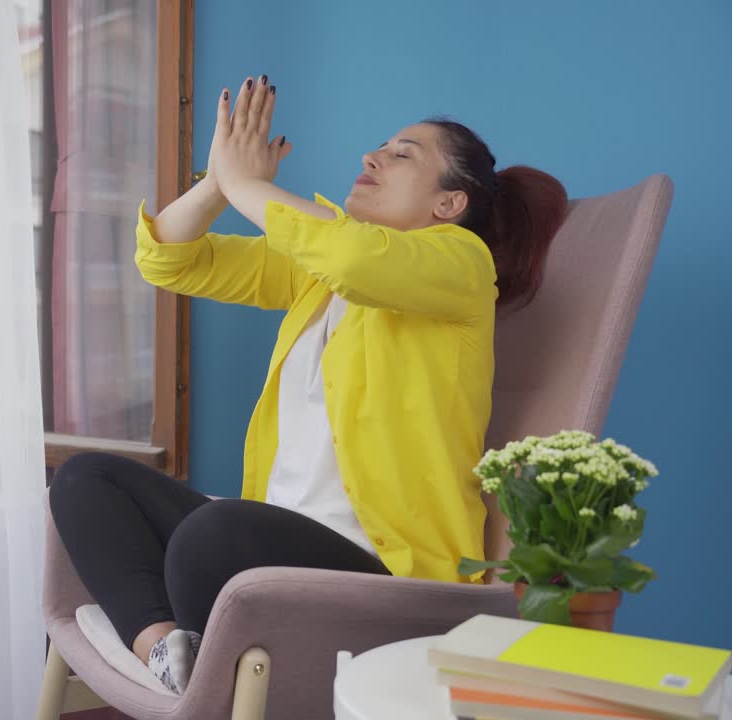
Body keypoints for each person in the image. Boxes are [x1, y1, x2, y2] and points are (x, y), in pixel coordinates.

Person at [48, 73, 569, 694]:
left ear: (448, 205)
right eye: (380, 146)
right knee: (86, 479)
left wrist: (250, 184)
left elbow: (354, 259)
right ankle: (167, 651)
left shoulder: (460, 264)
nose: (371, 156)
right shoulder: (316, 277)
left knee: (212, 535)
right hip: (277, 533)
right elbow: (168, 259)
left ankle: (194, 666)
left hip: (384, 569)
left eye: (403, 154)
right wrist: (219, 182)